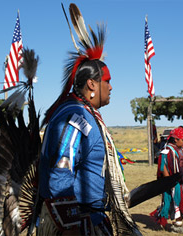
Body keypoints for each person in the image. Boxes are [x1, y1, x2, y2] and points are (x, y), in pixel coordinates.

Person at [36, 3, 141, 236]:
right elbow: (61, 170)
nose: (111, 87)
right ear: (92, 84)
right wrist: (70, 227)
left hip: (90, 219)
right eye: (107, 81)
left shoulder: (86, 115)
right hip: (77, 225)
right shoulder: (76, 116)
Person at [150, 127, 183, 234]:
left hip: (179, 181)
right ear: (175, 140)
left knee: (178, 202)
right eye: (182, 140)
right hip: (172, 182)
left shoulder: (179, 150)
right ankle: (177, 226)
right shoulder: (167, 151)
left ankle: (175, 222)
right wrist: (169, 181)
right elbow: (162, 167)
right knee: (176, 202)